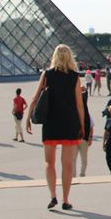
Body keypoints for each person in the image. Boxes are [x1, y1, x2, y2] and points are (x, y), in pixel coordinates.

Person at [27, 44, 85, 209]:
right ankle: (66, 199)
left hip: (51, 122)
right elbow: (79, 105)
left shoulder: (47, 75)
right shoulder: (74, 77)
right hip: (69, 123)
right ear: (70, 57)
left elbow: (35, 97)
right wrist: (82, 125)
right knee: (67, 165)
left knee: (49, 162)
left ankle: (53, 196)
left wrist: (28, 118)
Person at [77, 97, 94, 177]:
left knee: (83, 159)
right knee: (74, 159)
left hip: (83, 139)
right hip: (75, 139)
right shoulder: (74, 113)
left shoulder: (87, 115)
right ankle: (73, 175)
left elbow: (91, 126)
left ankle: (82, 174)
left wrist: (90, 138)